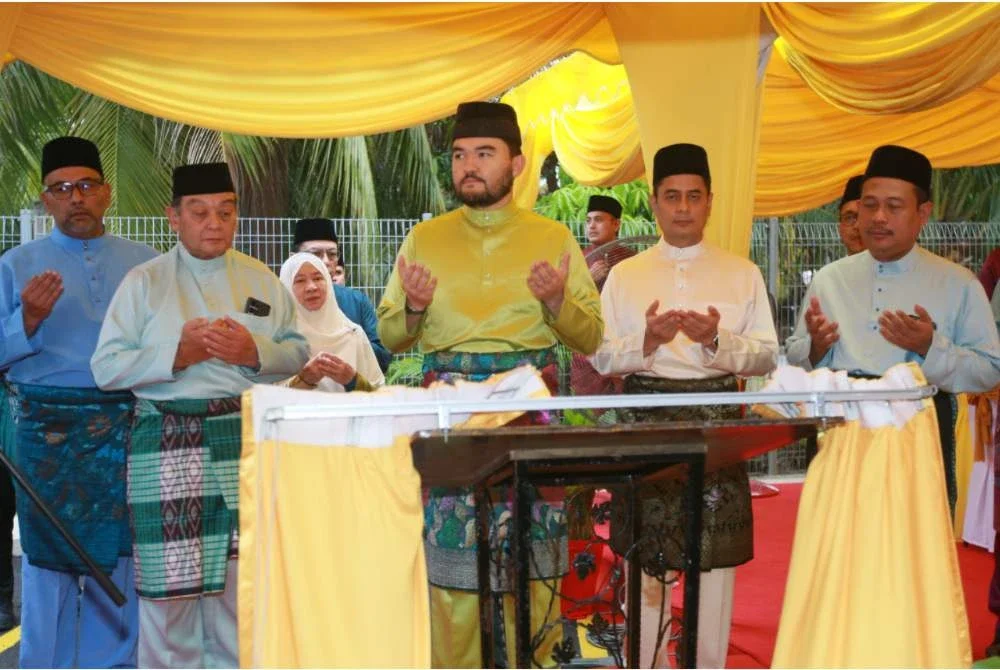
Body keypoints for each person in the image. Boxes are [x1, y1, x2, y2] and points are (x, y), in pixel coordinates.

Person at [377, 101, 603, 667]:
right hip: (452, 420)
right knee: (455, 577)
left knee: (535, 571)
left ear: (517, 164)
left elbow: (592, 335)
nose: (468, 166)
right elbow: (389, 334)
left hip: (529, 411)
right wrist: (414, 307)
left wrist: (555, 300)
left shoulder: (552, 237)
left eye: (484, 153)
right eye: (459, 155)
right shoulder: (423, 239)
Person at [91, 162, 309, 668]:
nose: (214, 223)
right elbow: (105, 367)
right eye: (200, 212)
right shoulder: (144, 283)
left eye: (225, 212)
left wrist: (252, 351)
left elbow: (298, 353)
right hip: (165, 438)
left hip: (243, 437)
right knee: (170, 597)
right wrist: (176, 354)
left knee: (241, 585)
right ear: (173, 217)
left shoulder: (261, 278)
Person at [590, 142, 778, 668]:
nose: (682, 207)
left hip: (715, 421)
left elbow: (765, 356)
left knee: (713, 561)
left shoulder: (742, 273)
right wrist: (646, 342)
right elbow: (603, 357)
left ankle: (709, 663)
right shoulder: (625, 276)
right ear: (654, 202)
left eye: (694, 196)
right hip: (646, 418)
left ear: (710, 202)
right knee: (645, 558)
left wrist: (717, 343)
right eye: (671, 196)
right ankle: (646, 662)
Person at [0, 136, 158, 667]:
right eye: (62, 189)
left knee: (119, 557)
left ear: (106, 194)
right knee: (48, 562)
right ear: (46, 200)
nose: (76, 198)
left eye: (86, 186)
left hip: (124, 423)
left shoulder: (146, 266)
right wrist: (25, 321)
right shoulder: (16, 265)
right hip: (45, 430)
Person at [785, 144, 1000, 513]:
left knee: (912, 557)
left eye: (894, 206)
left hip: (917, 437)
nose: (878, 217)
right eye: (869, 205)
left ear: (923, 213)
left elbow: (989, 369)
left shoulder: (958, 283)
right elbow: (795, 354)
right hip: (841, 434)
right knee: (838, 552)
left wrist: (932, 347)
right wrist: (815, 350)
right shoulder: (829, 280)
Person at [293, 217, 391, 372]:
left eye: (332, 254)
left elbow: (383, 358)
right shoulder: (278, 302)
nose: (325, 261)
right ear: (294, 257)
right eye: (316, 254)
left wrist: (348, 343)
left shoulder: (356, 301)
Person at [279, 252, 384, 392]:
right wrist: (304, 380)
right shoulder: (278, 340)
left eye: (317, 278)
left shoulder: (352, 334)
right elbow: (264, 398)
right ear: (286, 288)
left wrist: (352, 379)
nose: (312, 287)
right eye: (299, 280)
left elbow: (378, 394)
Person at [571, 194, 634, 399]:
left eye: (598, 219)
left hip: (624, 343)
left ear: (616, 224)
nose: (591, 226)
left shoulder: (632, 260)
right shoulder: (578, 259)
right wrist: (588, 281)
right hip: (587, 347)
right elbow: (564, 302)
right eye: (588, 221)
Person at [836, 174, 866, 255]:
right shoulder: (833, 268)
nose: (857, 226)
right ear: (840, 228)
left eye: (865, 217)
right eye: (849, 218)